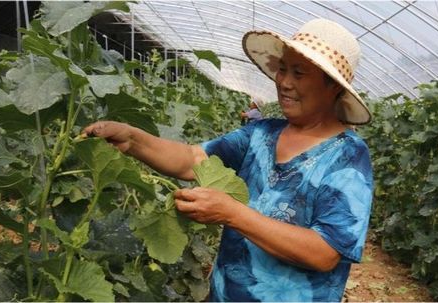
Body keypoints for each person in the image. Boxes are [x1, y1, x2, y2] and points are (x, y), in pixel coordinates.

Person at [84, 18, 373, 302]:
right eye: (282, 69)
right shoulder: (260, 134)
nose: (283, 82)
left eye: (298, 73)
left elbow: (324, 253)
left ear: (333, 86)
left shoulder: (347, 157)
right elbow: (193, 159)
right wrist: (133, 139)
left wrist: (232, 213)